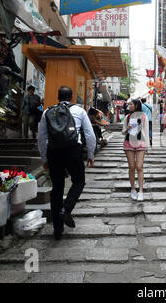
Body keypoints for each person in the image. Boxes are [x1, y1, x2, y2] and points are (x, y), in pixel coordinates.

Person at [37, 86, 96, 240]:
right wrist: (90, 154)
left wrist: (44, 159)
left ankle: (57, 229)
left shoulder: (47, 112)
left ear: (58, 97)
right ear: (72, 98)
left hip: (53, 151)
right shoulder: (79, 111)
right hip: (73, 150)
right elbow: (89, 135)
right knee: (79, 181)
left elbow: (42, 138)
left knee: (57, 188)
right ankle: (66, 209)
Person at [122, 99, 149, 202]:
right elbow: (123, 132)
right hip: (129, 142)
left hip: (140, 143)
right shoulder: (127, 117)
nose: (129, 106)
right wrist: (127, 129)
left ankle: (141, 191)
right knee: (132, 167)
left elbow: (146, 132)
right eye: (129, 104)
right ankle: (133, 189)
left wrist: (148, 146)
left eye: (131, 104)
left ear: (136, 105)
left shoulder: (144, 117)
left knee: (139, 167)